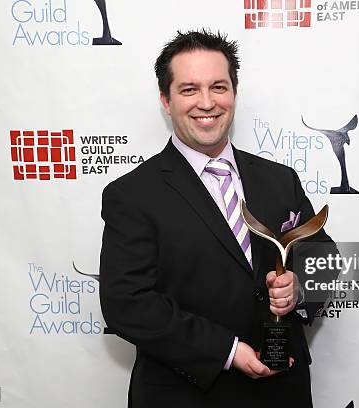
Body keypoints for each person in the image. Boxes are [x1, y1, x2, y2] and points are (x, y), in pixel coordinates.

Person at [99, 29, 334, 408]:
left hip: (283, 391)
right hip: (186, 395)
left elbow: (323, 258)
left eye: (218, 87)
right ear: (166, 99)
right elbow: (127, 302)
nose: (206, 103)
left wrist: (298, 289)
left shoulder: (279, 179)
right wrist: (228, 350)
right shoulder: (132, 195)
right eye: (189, 89)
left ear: (234, 93)